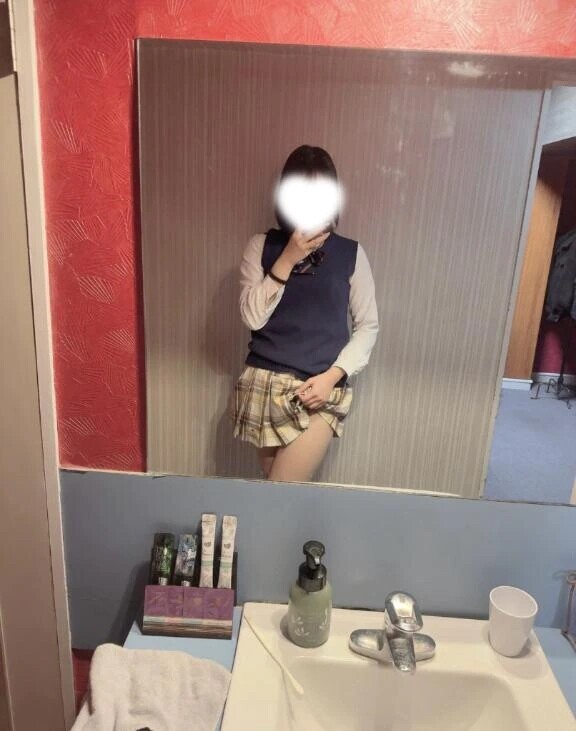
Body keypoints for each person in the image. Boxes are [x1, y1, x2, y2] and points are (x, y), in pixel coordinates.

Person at [231, 145, 378, 482]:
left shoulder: (351, 254)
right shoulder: (261, 246)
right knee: (279, 492)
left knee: (280, 489)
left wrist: (332, 377)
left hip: (317, 389)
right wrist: (288, 257)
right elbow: (252, 318)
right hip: (263, 384)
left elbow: (368, 326)